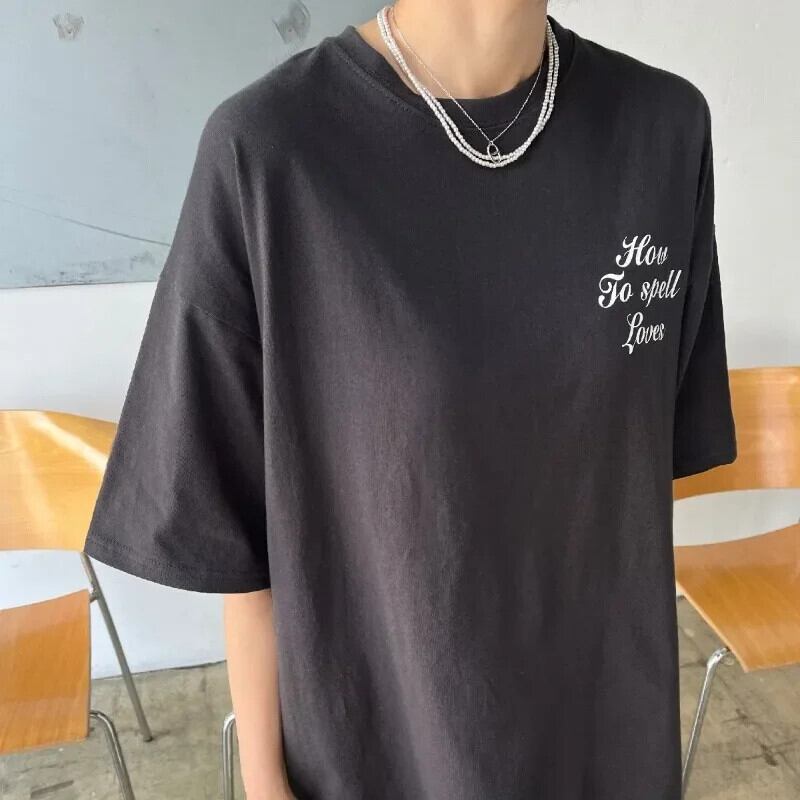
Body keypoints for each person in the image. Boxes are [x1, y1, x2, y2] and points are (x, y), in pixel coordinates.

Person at [84, 1, 737, 798]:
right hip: (381, 754)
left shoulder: (664, 131)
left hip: (605, 747)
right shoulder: (270, 151)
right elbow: (239, 530)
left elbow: (627, 477)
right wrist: (264, 780)